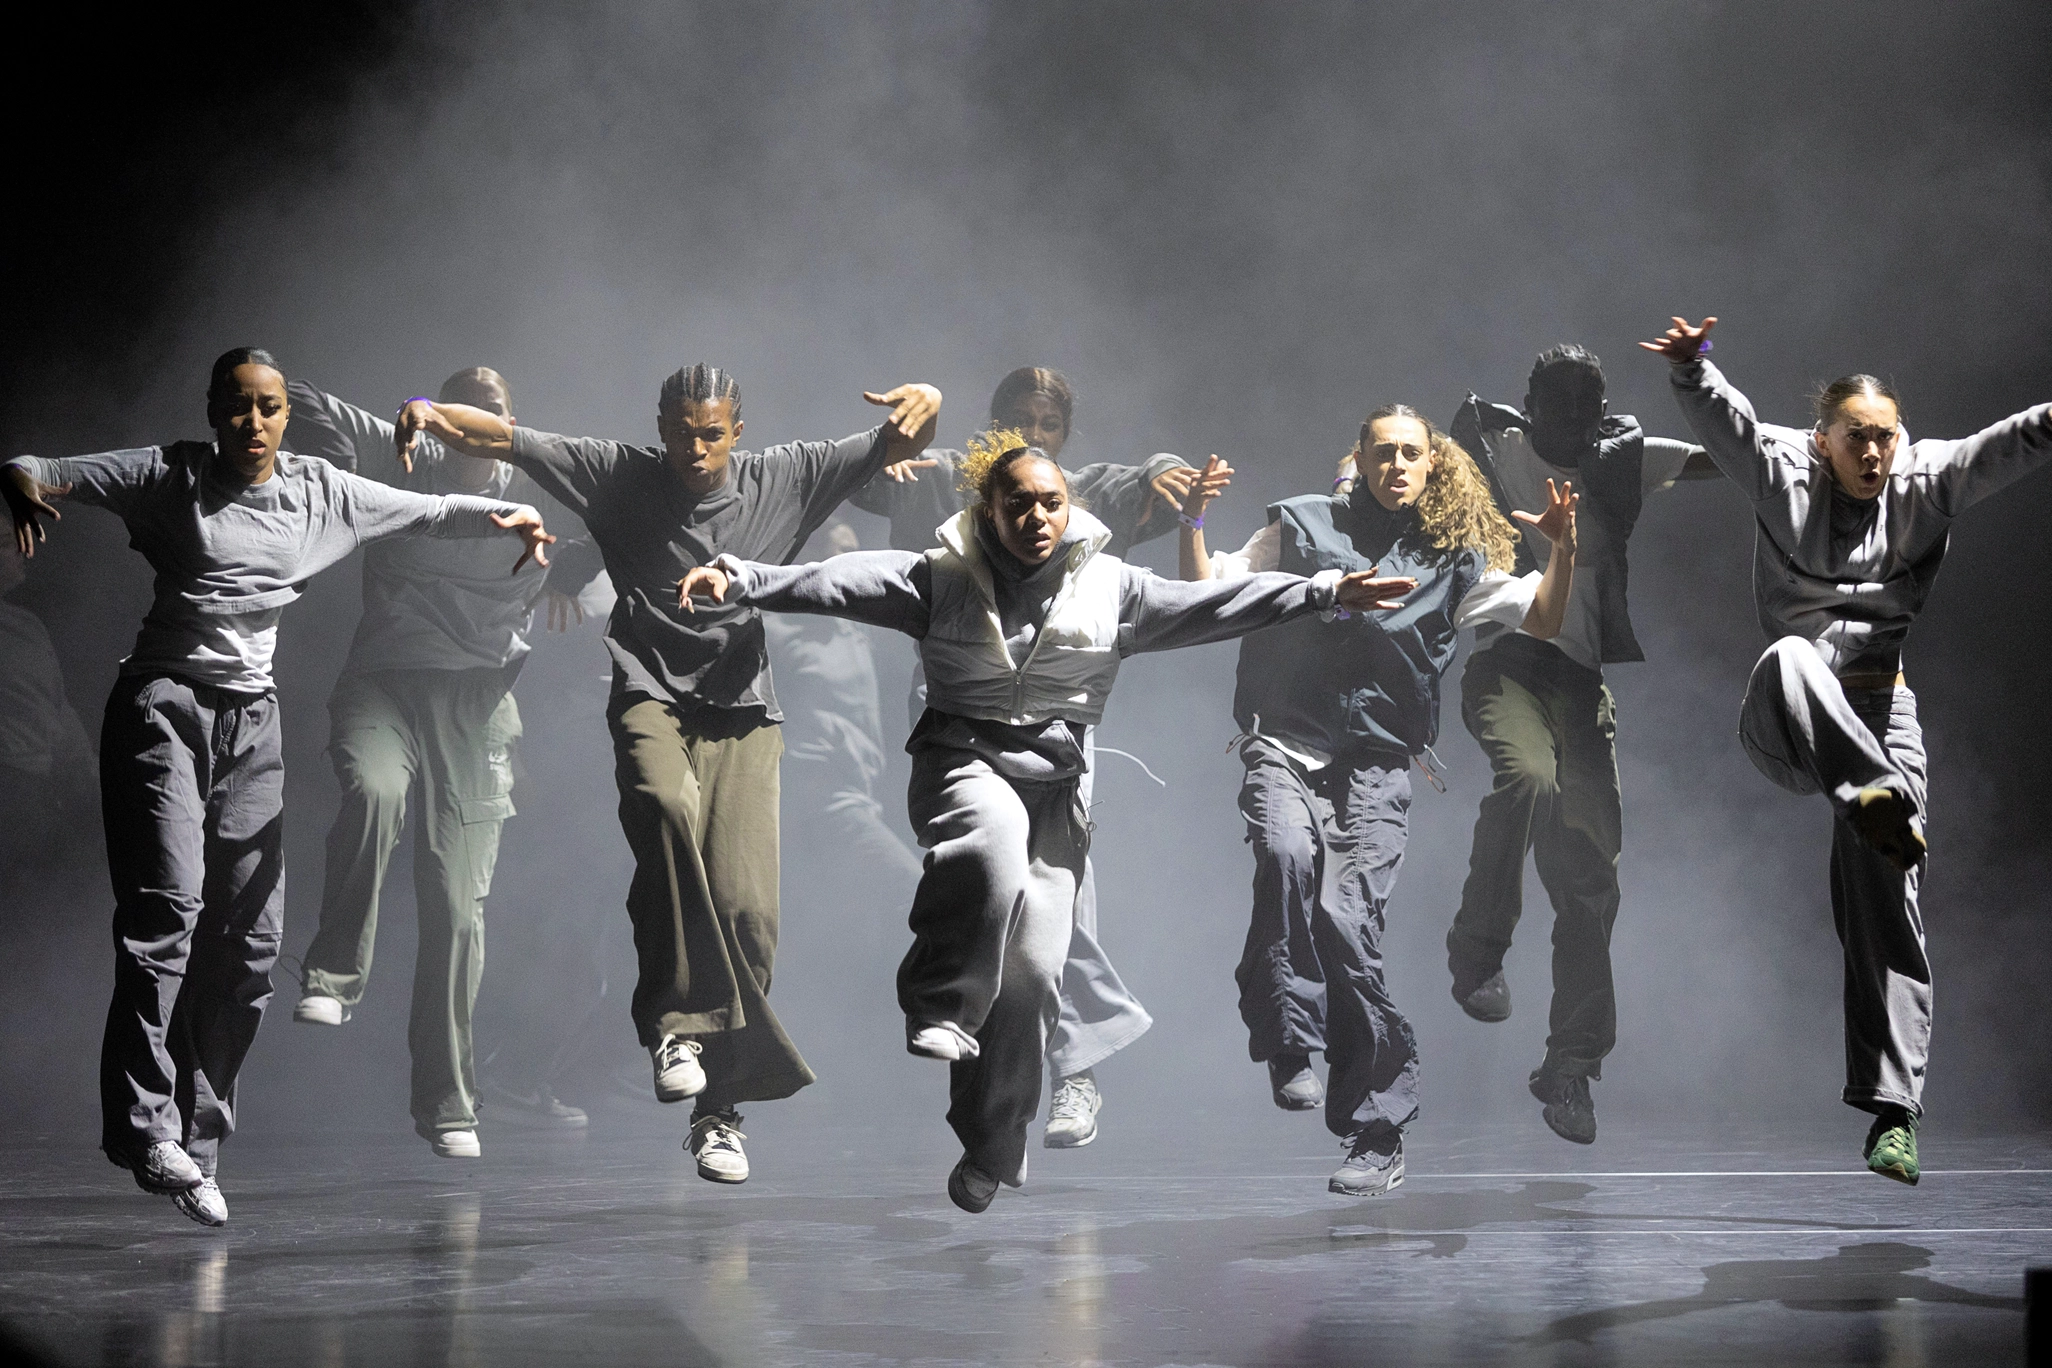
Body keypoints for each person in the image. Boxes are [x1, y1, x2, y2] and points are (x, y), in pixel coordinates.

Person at [680, 432, 1415, 1212]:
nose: (1036, 516)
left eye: (1051, 502)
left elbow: (1214, 603)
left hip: (1057, 787)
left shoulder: (1113, 586)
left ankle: (990, 1143)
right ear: (990, 511)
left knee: (1032, 980)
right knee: (990, 855)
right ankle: (940, 1003)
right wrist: (740, 576)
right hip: (964, 764)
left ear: (1070, 510)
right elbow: (839, 580)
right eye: (1019, 503)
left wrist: (1325, 591)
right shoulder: (941, 578)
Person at [1, 348, 553, 1227]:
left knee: (253, 949)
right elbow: (44, 469)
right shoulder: (170, 475)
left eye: (267, 409)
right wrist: (22, 479)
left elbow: (432, 509)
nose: (252, 426)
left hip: (252, 725)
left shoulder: (322, 492)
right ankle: (144, 1129)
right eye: (236, 409)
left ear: (285, 417)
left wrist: (511, 515)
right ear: (214, 413)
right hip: (165, 707)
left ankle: (200, 1140)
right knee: (168, 915)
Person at [394, 364, 942, 1184]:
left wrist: (924, 399)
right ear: (660, 425)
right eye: (682, 431)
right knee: (661, 803)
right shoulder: (618, 473)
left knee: (749, 913)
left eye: (712, 432)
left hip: (743, 709)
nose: (695, 448)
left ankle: (718, 1115)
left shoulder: (785, 476)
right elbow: (503, 436)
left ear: (737, 431)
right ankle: (674, 1025)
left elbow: (903, 437)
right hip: (650, 694)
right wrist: (428, 414)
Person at [1642, 314, 2052, 1185]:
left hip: (1881, 714)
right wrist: (1693, 368)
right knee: (1794, 654)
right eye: (1856, 438)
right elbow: (1730, 424)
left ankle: (1893, 1114)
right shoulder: (1783, 468)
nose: (1874, 455)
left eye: (1886, 439)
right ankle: (1875, 801)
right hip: (1789, 719)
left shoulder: (1926, 479)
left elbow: (2016, 440)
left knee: (1887, 903)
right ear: (1821, 439)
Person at [1180, 406, 1577, 1196]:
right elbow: (1206, 594)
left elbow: (1543, 615)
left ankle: (1375, 1130)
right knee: (1286, 854)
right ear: (1357, 458)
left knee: (1347, 920)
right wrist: (1191, 520)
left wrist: (1563, 549)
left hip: (1377, 763)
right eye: (1383, 451)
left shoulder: (1454, 557)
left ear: (1433, 466)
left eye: (1411, 454)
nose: (1397, 464)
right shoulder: (1298, 525)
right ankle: (1289, 1037)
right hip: (1286, 741)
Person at [849, 366, 1201, 1149]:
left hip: (1054, 717)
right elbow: (861, 485)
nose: (1034, 438)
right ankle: (963, 1026)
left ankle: (1074, 1070)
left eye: (1048, 425)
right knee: (991, 887)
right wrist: (886, 457)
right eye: (1020, 420)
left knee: (1061, 894)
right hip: (958, 706)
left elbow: (1136, 479)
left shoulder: (1064, 490)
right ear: (993, 422)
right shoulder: (950, 481)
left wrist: (1163, 470)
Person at [281, 367, 597, 1157]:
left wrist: (578, 573)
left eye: (489, 413)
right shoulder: (403, 457)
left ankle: (448, 1102)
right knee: (374, 789)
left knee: (457, 908)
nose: (471, 424)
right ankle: (331, 975)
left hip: (477, 707)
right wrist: (407, 414)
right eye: (461, 410)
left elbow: (626, 506)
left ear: (504, 425)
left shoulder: (538, 478)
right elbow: (300, 393)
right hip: (384, 682)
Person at [1441, 345, 1716, 1145]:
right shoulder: (1493, 445)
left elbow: (1726, 457)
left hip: (1581, 687)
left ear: (1598, 412)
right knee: (1526, 779)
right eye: (1551, 402)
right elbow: (1406, 464)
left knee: (1590, 885)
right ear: (1529, 402)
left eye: (1581, 405)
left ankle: (1570, 1070)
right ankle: (1478, 953)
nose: (1565, 418)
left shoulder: (1623, 461)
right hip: (1508, 667)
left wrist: (1823, 447)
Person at [0, 536, 95, 875]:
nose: (20, 551)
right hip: (15, 793)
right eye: (4, 543)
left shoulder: (27, 626)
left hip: (48, 793)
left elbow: (58, 709)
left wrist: (86, 772)